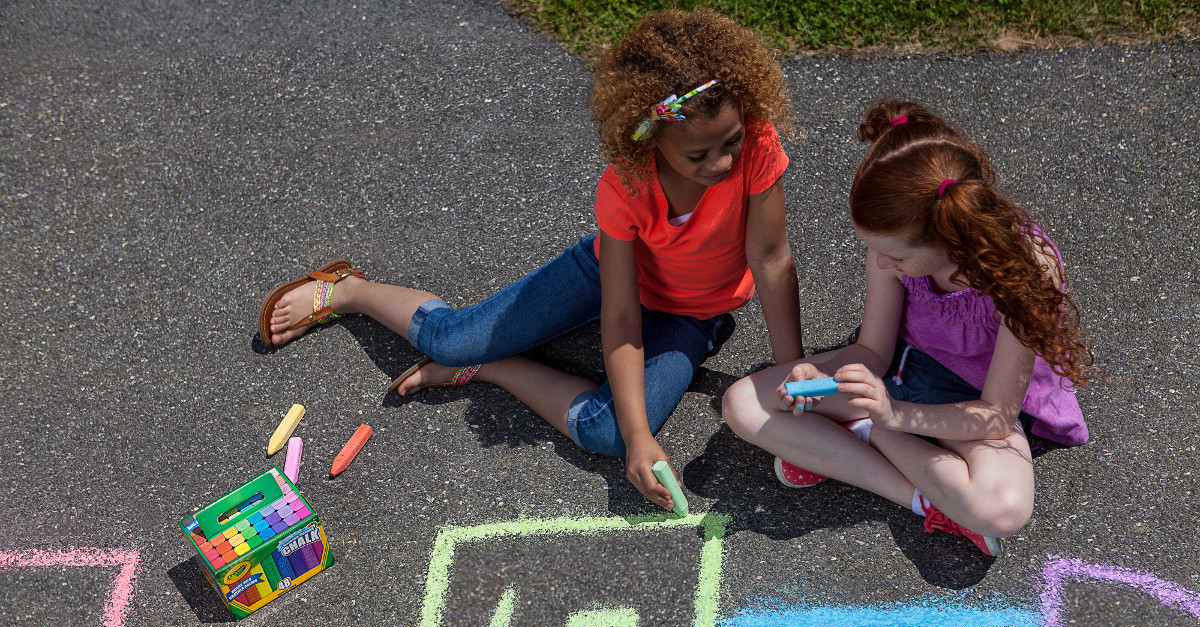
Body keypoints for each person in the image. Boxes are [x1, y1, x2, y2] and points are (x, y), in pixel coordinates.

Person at [257, 10, 804, 512]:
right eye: (699, 154)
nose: (723, 162)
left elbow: (771, 258)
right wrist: (645, 436)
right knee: (448, 339)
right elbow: (620, 316)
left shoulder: (756, 144)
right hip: (608, 279)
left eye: (730, 142)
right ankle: (351, 289)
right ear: (650, 138)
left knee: (609, 434)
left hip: (694, 313)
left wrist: (789, 374)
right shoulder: (628, 185)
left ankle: (497, 366)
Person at [721, 99, 1097, 557]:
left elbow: (996, 415)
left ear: (947, 235)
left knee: (1003, 509)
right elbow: (874, 351)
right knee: (742, 403)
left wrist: (889, 418)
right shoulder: (893, 244)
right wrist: (820, 375)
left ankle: (859, 436)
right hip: (906, 371)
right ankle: (924, 501)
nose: (882, 263)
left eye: (896, 257)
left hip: (982, 403)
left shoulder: (1024, 270)